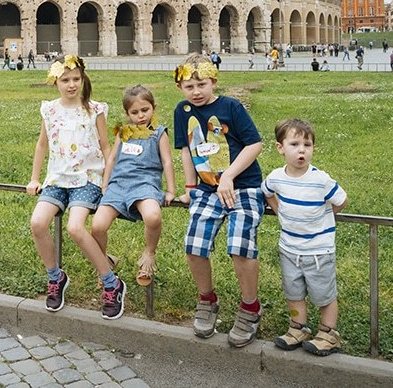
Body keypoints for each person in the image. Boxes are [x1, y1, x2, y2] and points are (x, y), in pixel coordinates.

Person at [173, 54, 265, 347]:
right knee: (194, 245)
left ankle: (250, 307)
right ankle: (207, 299)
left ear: (213, 81)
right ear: (180, 87)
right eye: (189, 86)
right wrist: (190, 187)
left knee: (240, 246)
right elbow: (187, 150)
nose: (196, 91)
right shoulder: (182, 110)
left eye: (201, 84)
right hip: (208, 188)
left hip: (244, 186)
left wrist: (229, 177)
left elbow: (255, 144)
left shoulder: (231, 107)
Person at [26, 56, 116, 317]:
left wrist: (108, 179)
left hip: (87, 178)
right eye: (65, 80)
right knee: (37, 223)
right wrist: (35, 178)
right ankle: (56, 277)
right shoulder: (50, 110)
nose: (71, 85)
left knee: (75, 228)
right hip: (57, 178)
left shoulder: (95, 109)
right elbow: (42, 144)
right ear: (55, 82)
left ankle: (111, 282)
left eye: (76, 79)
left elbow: (105, 145)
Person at [263, 118, 348, 356]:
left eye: (307, 145)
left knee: (324, 295)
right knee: (294, 292)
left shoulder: (320, 179)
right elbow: (267, 191)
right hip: (289, 248)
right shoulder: (276, 177)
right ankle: (298, 328)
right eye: (294, 144)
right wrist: (279, 210)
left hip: (319, 250)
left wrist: (322, 216)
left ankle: (328, 333)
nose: (302, 150)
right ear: (280, 147)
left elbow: (341, 201)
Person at [91, 85, 175, 299]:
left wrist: (171, 190)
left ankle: (148, 255)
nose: (140, 116)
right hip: (119, 185)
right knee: (97, 226)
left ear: (153, 108)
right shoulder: (124, 131)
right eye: (134, 112)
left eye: (145, 110)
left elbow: (167, 161)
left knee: (153, 216)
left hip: (145, 184)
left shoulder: (159, 133)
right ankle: (105, 263)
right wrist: (105, 183)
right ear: (127, 113)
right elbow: (112, 158)